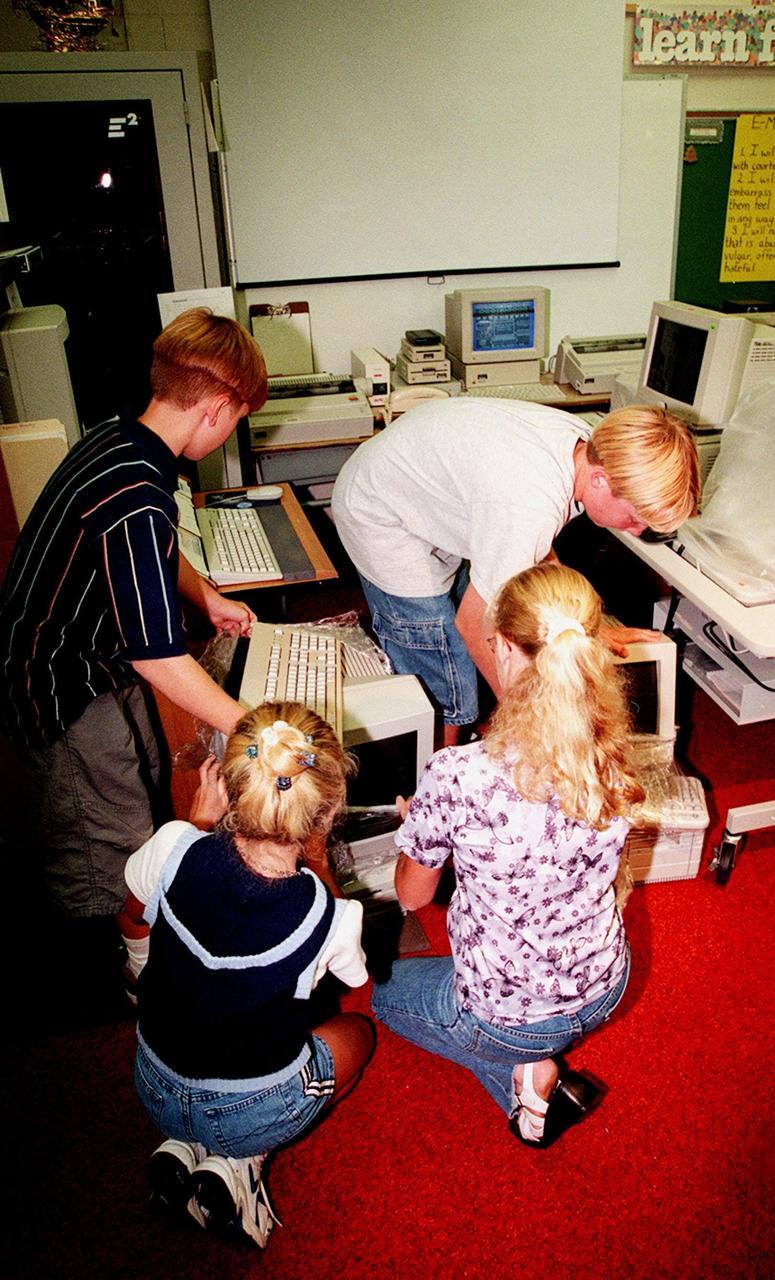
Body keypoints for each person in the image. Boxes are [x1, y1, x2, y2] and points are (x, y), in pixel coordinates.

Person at [0, 307, 267, 920]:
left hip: (93, 660)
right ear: (217, 409)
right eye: (236, 422)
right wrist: (253, 724)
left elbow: (148, 555)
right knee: (101, 836)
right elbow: (158, 656)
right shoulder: (139, 493)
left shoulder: (121, 440)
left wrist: (207, 597)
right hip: (60, 688)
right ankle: (110, 970)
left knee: (145, 777)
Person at [371, 561, 643, 1149]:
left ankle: (529, 1069)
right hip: (606, 986)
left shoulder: (459, 775)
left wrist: (417, 825)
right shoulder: (614, 754)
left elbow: (414, 897)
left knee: (384, 996)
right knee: (510, 1018)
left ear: (509, 652)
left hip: (509, 1015)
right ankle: (537, 1071)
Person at [123, 701, 375, 1249]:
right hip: (250, 1111)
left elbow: (133, 923)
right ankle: (242, 1160)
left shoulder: (173, 846)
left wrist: (195, 824)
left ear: (232, 788)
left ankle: (183, 1143)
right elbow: (355, 982)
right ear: (327, 813)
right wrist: (321, 862)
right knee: (359, 1034)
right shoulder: (330, 915)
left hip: (152, 1083)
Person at [331, 398, 700, 744]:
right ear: (602, 479)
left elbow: (537, 558)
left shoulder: (584, 445)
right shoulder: (528, 502)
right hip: (378, 511)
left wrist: (595, 624)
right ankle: (436, 783)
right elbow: (473, 624)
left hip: (415, 487)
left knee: (471, 635)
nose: (634, 531)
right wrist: (523, 716)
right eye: (635, 518)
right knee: (446, 672)